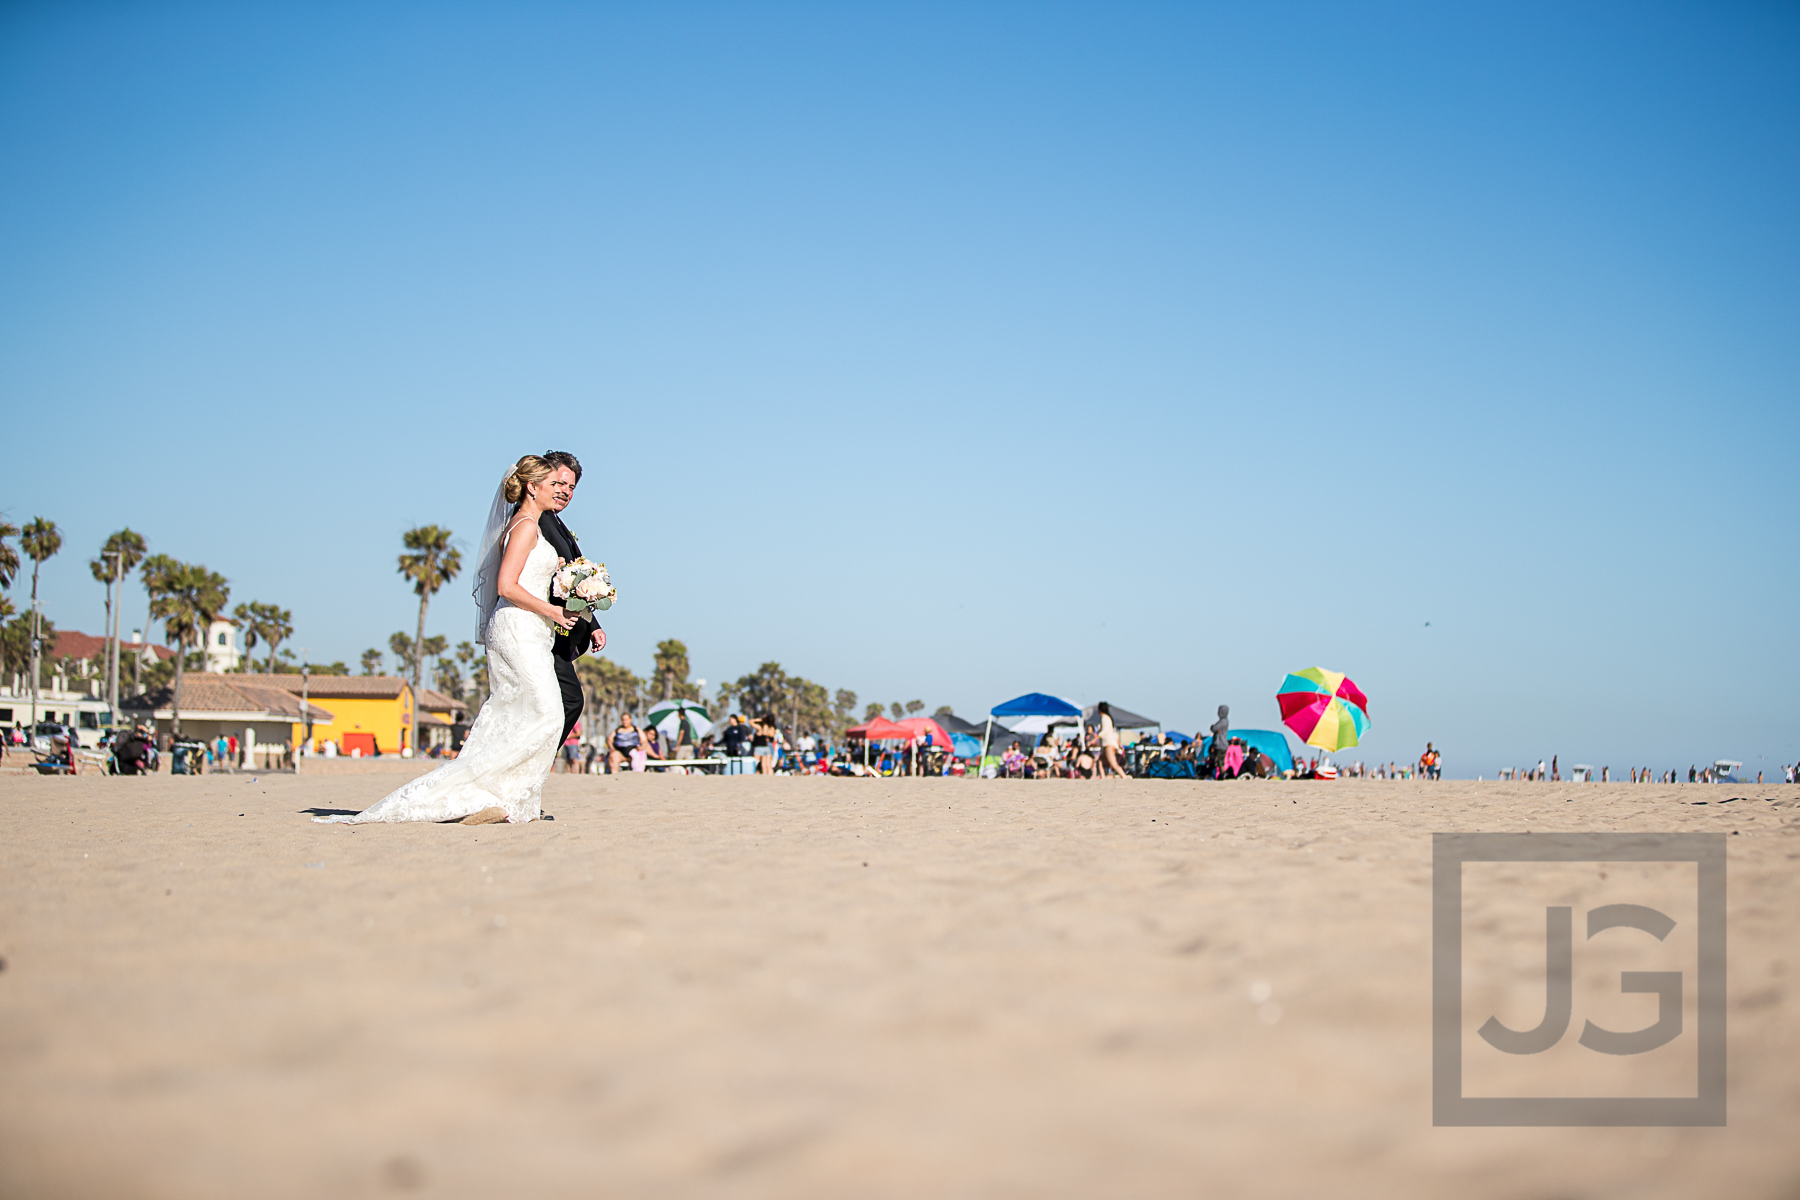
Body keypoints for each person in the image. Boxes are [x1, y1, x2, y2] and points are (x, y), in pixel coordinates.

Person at [315, 455, 578, 824]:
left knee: (521, 715)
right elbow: (506, 585)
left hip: (532, 630)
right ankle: (490, 795)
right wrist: (552, 611)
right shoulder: (522, 527)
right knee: (548, 714)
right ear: (533, 487)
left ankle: (502, 800)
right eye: (554, 485)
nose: (562, 492)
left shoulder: (532, 526)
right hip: (518, 627)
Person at [535, 451, 607, 745]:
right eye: (559, 483)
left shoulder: (555, 522)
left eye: (571, 487)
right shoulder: (532, 521)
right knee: (569, 701)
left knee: (560, 704)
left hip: (557, 630)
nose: (565, 491)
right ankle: (535, 762)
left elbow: (572, 579)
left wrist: (593, 625)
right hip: (538, 628)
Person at [1095, 701, 1129, 778]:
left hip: (1108, 743)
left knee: (1113, 764)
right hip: (1109, 743)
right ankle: (1103, 778)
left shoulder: (1104, 718)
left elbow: (1105, 731)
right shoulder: (1107, 718)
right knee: (1100, 762)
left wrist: (1095, 738)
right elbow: (1113, 732)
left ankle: (1124, 776)